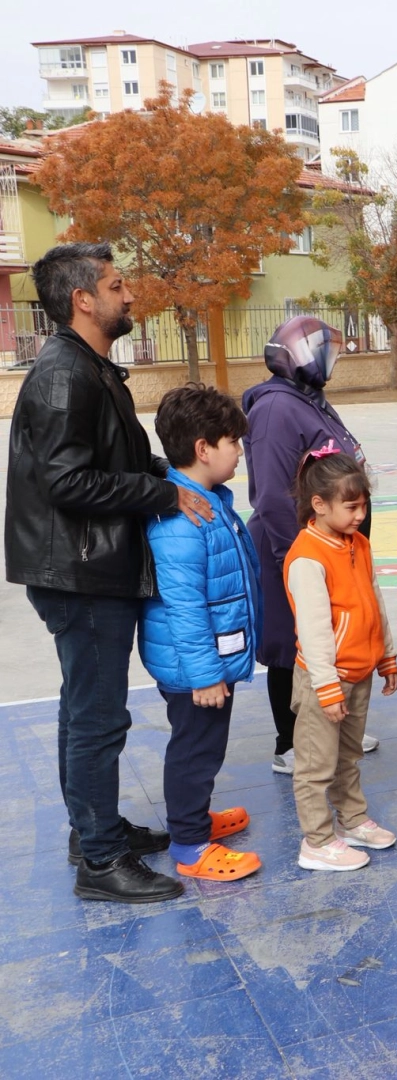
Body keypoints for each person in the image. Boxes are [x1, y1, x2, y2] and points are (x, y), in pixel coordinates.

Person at [6, 242, 214, 905]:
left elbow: (115, 458)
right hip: (80, 572)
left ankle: (91, 831)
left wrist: (169, 475)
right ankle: (100, 861)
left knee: (83, 711)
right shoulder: (65, 374)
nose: (130, 295)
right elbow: (67, 482)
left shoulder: (90, 368)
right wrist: (160, 494)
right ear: (83, 300)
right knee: (98, 719)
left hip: (82, 567)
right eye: (117, 286)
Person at [242, 316, 378, 775]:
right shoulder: (276, 408)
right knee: (292, 643)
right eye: (324, 351)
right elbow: (273, 495)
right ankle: (291, 742)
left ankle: (332, 727)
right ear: (298, 353)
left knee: (330, 634)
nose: (330, 361)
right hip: (296, 549)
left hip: (332, 548)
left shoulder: (306, 399)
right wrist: (298, 560)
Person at [139, 384, 262, 885]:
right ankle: (190, 844)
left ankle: (194, 815)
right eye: (234, 442)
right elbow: (184, 607)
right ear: (203, 448)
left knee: (205, 746)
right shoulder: (181, 520)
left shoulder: (207, 501)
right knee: (195, 750)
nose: (240, 452)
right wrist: (206, 674)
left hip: (207, 661)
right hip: (196, 667)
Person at [286, 450, 397, 872]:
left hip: (359, 671)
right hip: (325, 680)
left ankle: (351, 820)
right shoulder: (307, 557)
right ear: (319, 504)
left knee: (348, 756)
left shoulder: (358, 543)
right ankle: (316, 841)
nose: (360, 515)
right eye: (351, 507)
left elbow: (374, 600)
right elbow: (315, 631)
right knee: (316, 765)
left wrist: (386, 655)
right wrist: (328, 688)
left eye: (363, 505)